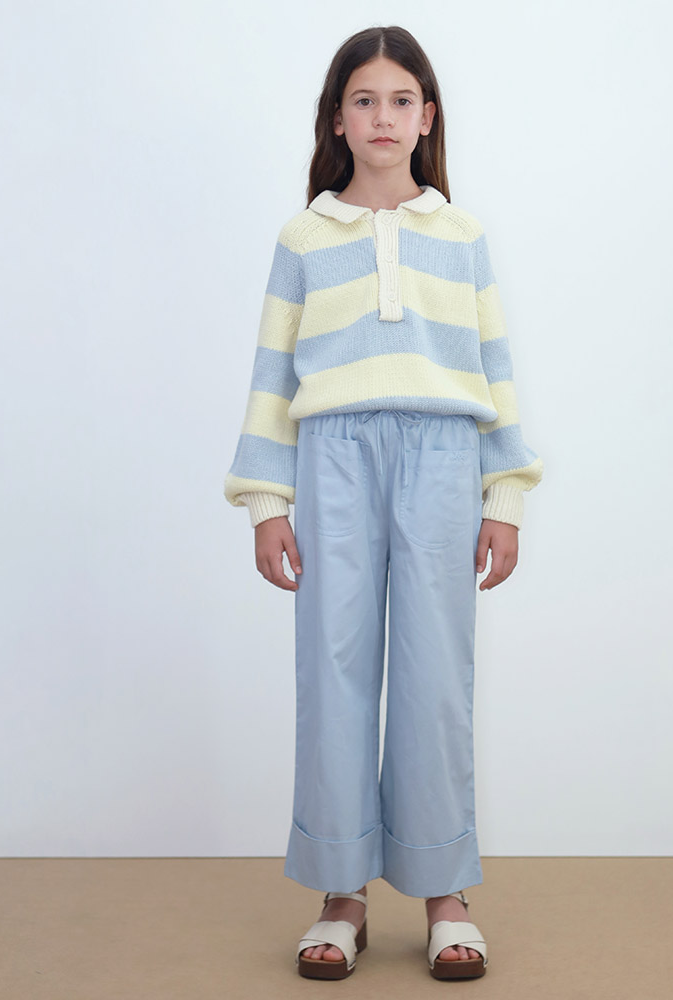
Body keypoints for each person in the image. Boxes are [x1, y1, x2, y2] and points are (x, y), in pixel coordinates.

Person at [224, 25, 542, 980]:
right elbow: (273, 373)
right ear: (337, 119)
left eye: (401, 100)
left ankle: (446, 895)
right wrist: (267, 500)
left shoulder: (462, 236)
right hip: (333, 456)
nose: (383, 117)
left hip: (444, 455)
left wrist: (505, 493)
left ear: (427, 117)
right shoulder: (303, 238)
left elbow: (495, 367)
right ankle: (341, 893)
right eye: (364, 100)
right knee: (334, 668)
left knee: (436, 676)